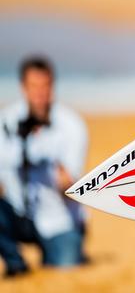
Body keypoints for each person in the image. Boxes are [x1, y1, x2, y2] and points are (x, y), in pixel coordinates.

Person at [0, 56, 88, 278]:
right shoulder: (6, 121)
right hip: (19, 213)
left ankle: (74, 245)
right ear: (23, 87)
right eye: (33, 86)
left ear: (53, 87)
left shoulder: (71, 125)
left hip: (58, 219)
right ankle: (15, 264)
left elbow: (72, 188)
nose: (40, 93)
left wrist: (62, 178)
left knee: (63, 267)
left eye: (45, 86)